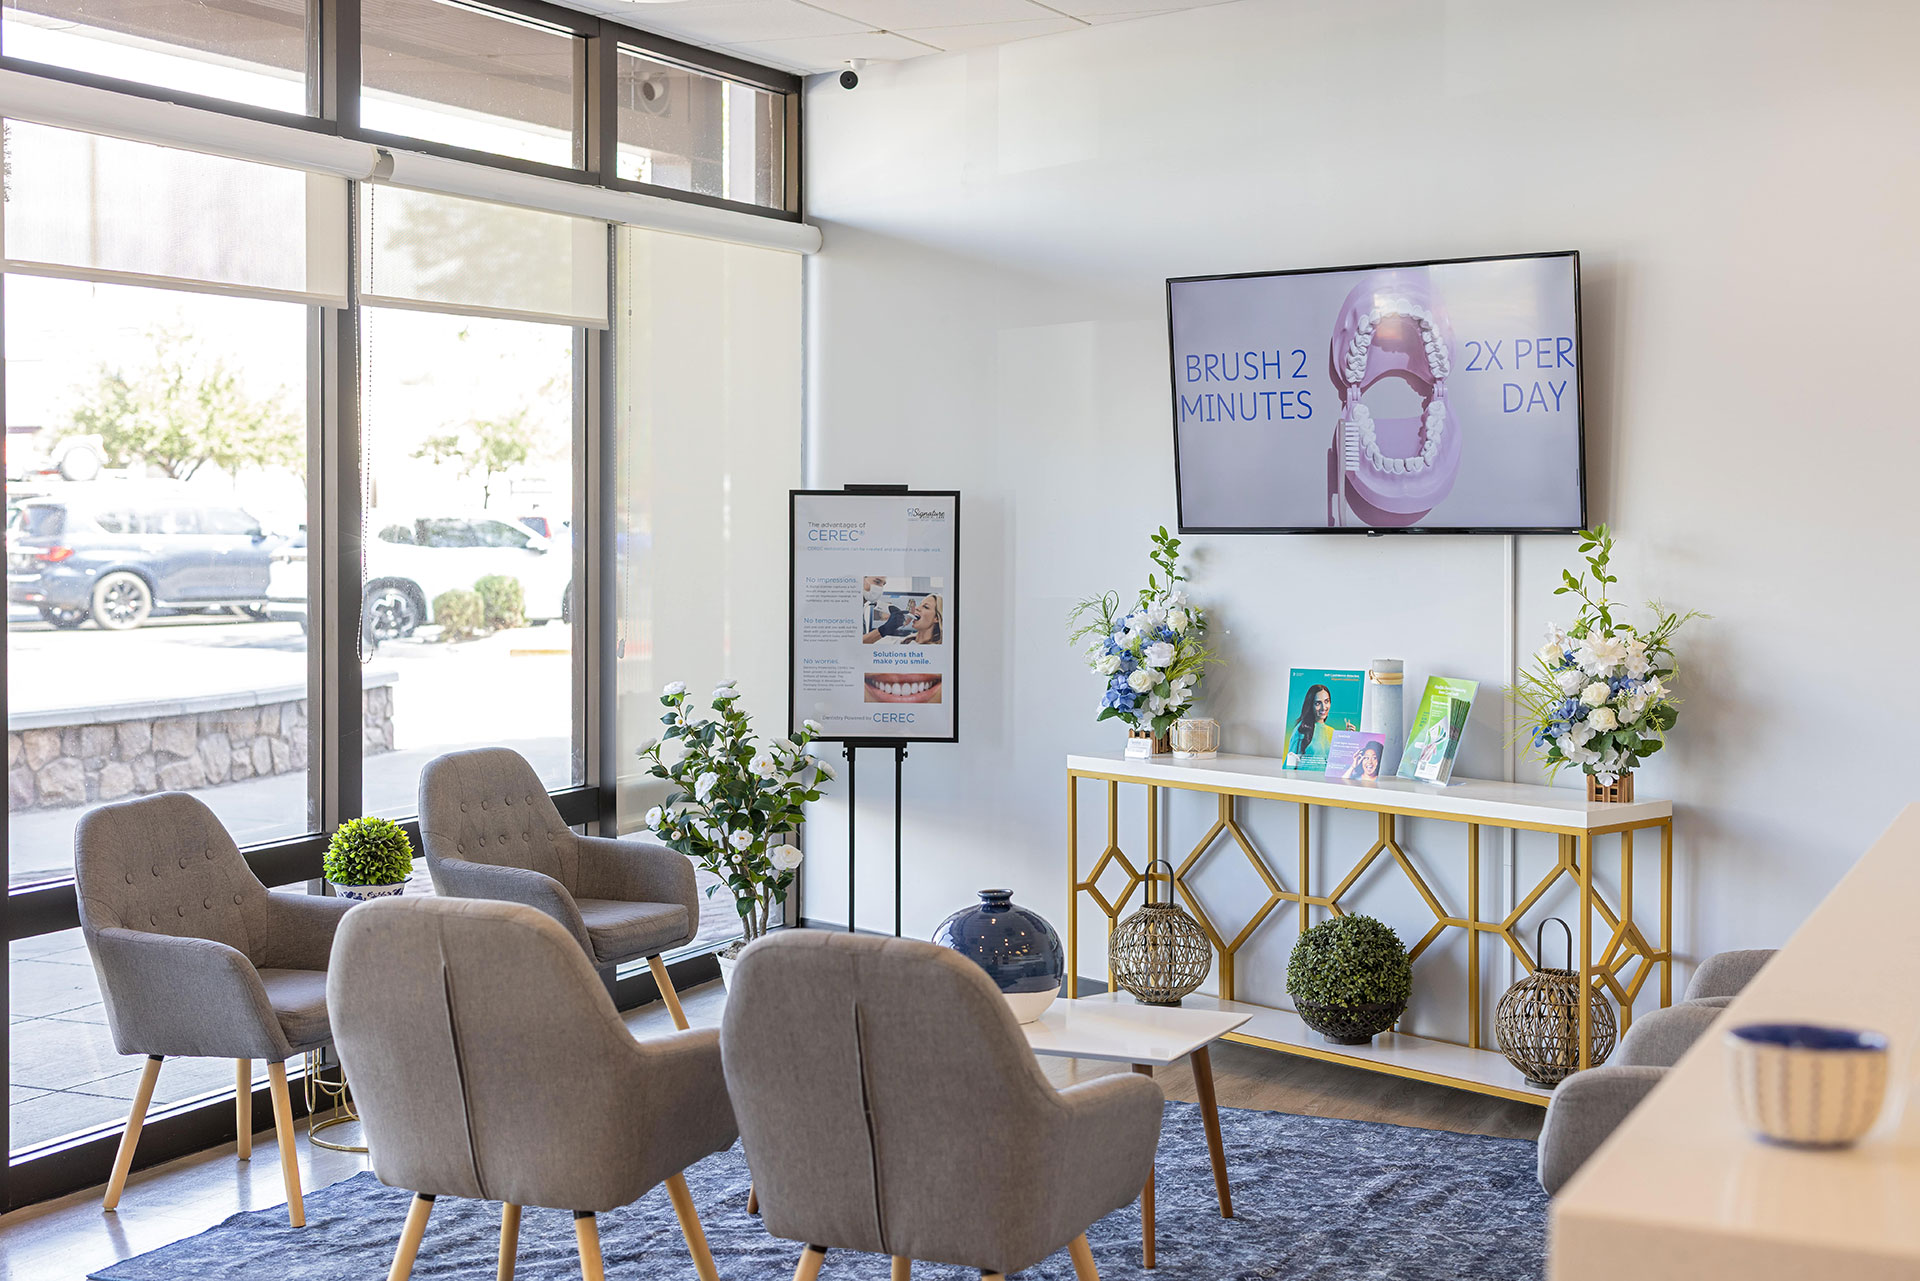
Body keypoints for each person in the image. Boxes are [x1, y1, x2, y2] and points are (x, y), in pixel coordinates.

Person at [864, 594, 942, 646]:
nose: (917, 608)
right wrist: (884, 629)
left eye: (925, 607)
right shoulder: (902, 641)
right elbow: (858, 647)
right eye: (920, 604)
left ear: (937, 618)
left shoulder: (933, 649)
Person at [1287, 684, 1333, 767]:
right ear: (1310, 705)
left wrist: (1348, 736)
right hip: (1304, 779)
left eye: (1326, 701)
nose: (1324, 707)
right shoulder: (1301, 729)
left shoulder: (1332, 732)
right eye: (1318, 703)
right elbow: (1290, 765)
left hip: (1324, 780)